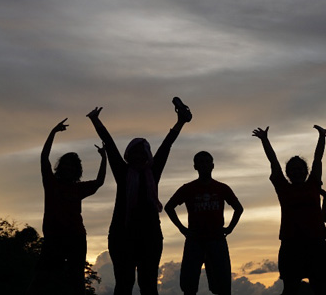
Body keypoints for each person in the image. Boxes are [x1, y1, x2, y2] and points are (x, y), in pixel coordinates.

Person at [87, 98, 192, 295]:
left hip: (150, 235)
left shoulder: (153, 171)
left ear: (147, 155)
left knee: (149, 285)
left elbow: (166, 146)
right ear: (128, 155)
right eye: (134, 153)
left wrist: (180, 122)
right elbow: (109, 146)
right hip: (122, 235)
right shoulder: (122, 171)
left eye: (142, 152)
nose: (138, 156)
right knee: (124, 285)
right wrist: (95, 121)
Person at [30, 118, 107, 295]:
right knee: (41, 279)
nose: (69, 168)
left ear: (76, 170)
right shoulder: (51, 183)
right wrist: (53, 132)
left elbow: (100, 182)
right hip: (53, 238)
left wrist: (104, 158)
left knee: (76, 280)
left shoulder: (78, 188)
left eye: (73, 166)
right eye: (66, 164)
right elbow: (44, 157)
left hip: (76, 238)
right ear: (60, 166)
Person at [252, 125, 326, 295]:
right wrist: (265, 140)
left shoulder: (313, 183)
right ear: (287, 173)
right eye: (292, 169)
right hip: (291, 243)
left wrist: (322, 137)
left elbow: (318, 158)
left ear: (305, 171)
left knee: (320, 288)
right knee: (290, 288)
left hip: (316, 242)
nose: (296, 172)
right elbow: (273, 162)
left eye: (299, 169)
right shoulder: (283, 187)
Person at [165, 151, 244, 295]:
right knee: (189, 284)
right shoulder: (188, 188)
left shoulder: (222, 188)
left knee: (222, 283)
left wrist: (230, 228)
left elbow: (239, 208)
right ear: (195, 166)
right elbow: (169, 207)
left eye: (207, 162)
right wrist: (182, 229)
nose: (204, 165)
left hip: (216, 239)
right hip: (195, 240)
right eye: (201, 162)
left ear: (213, 165)